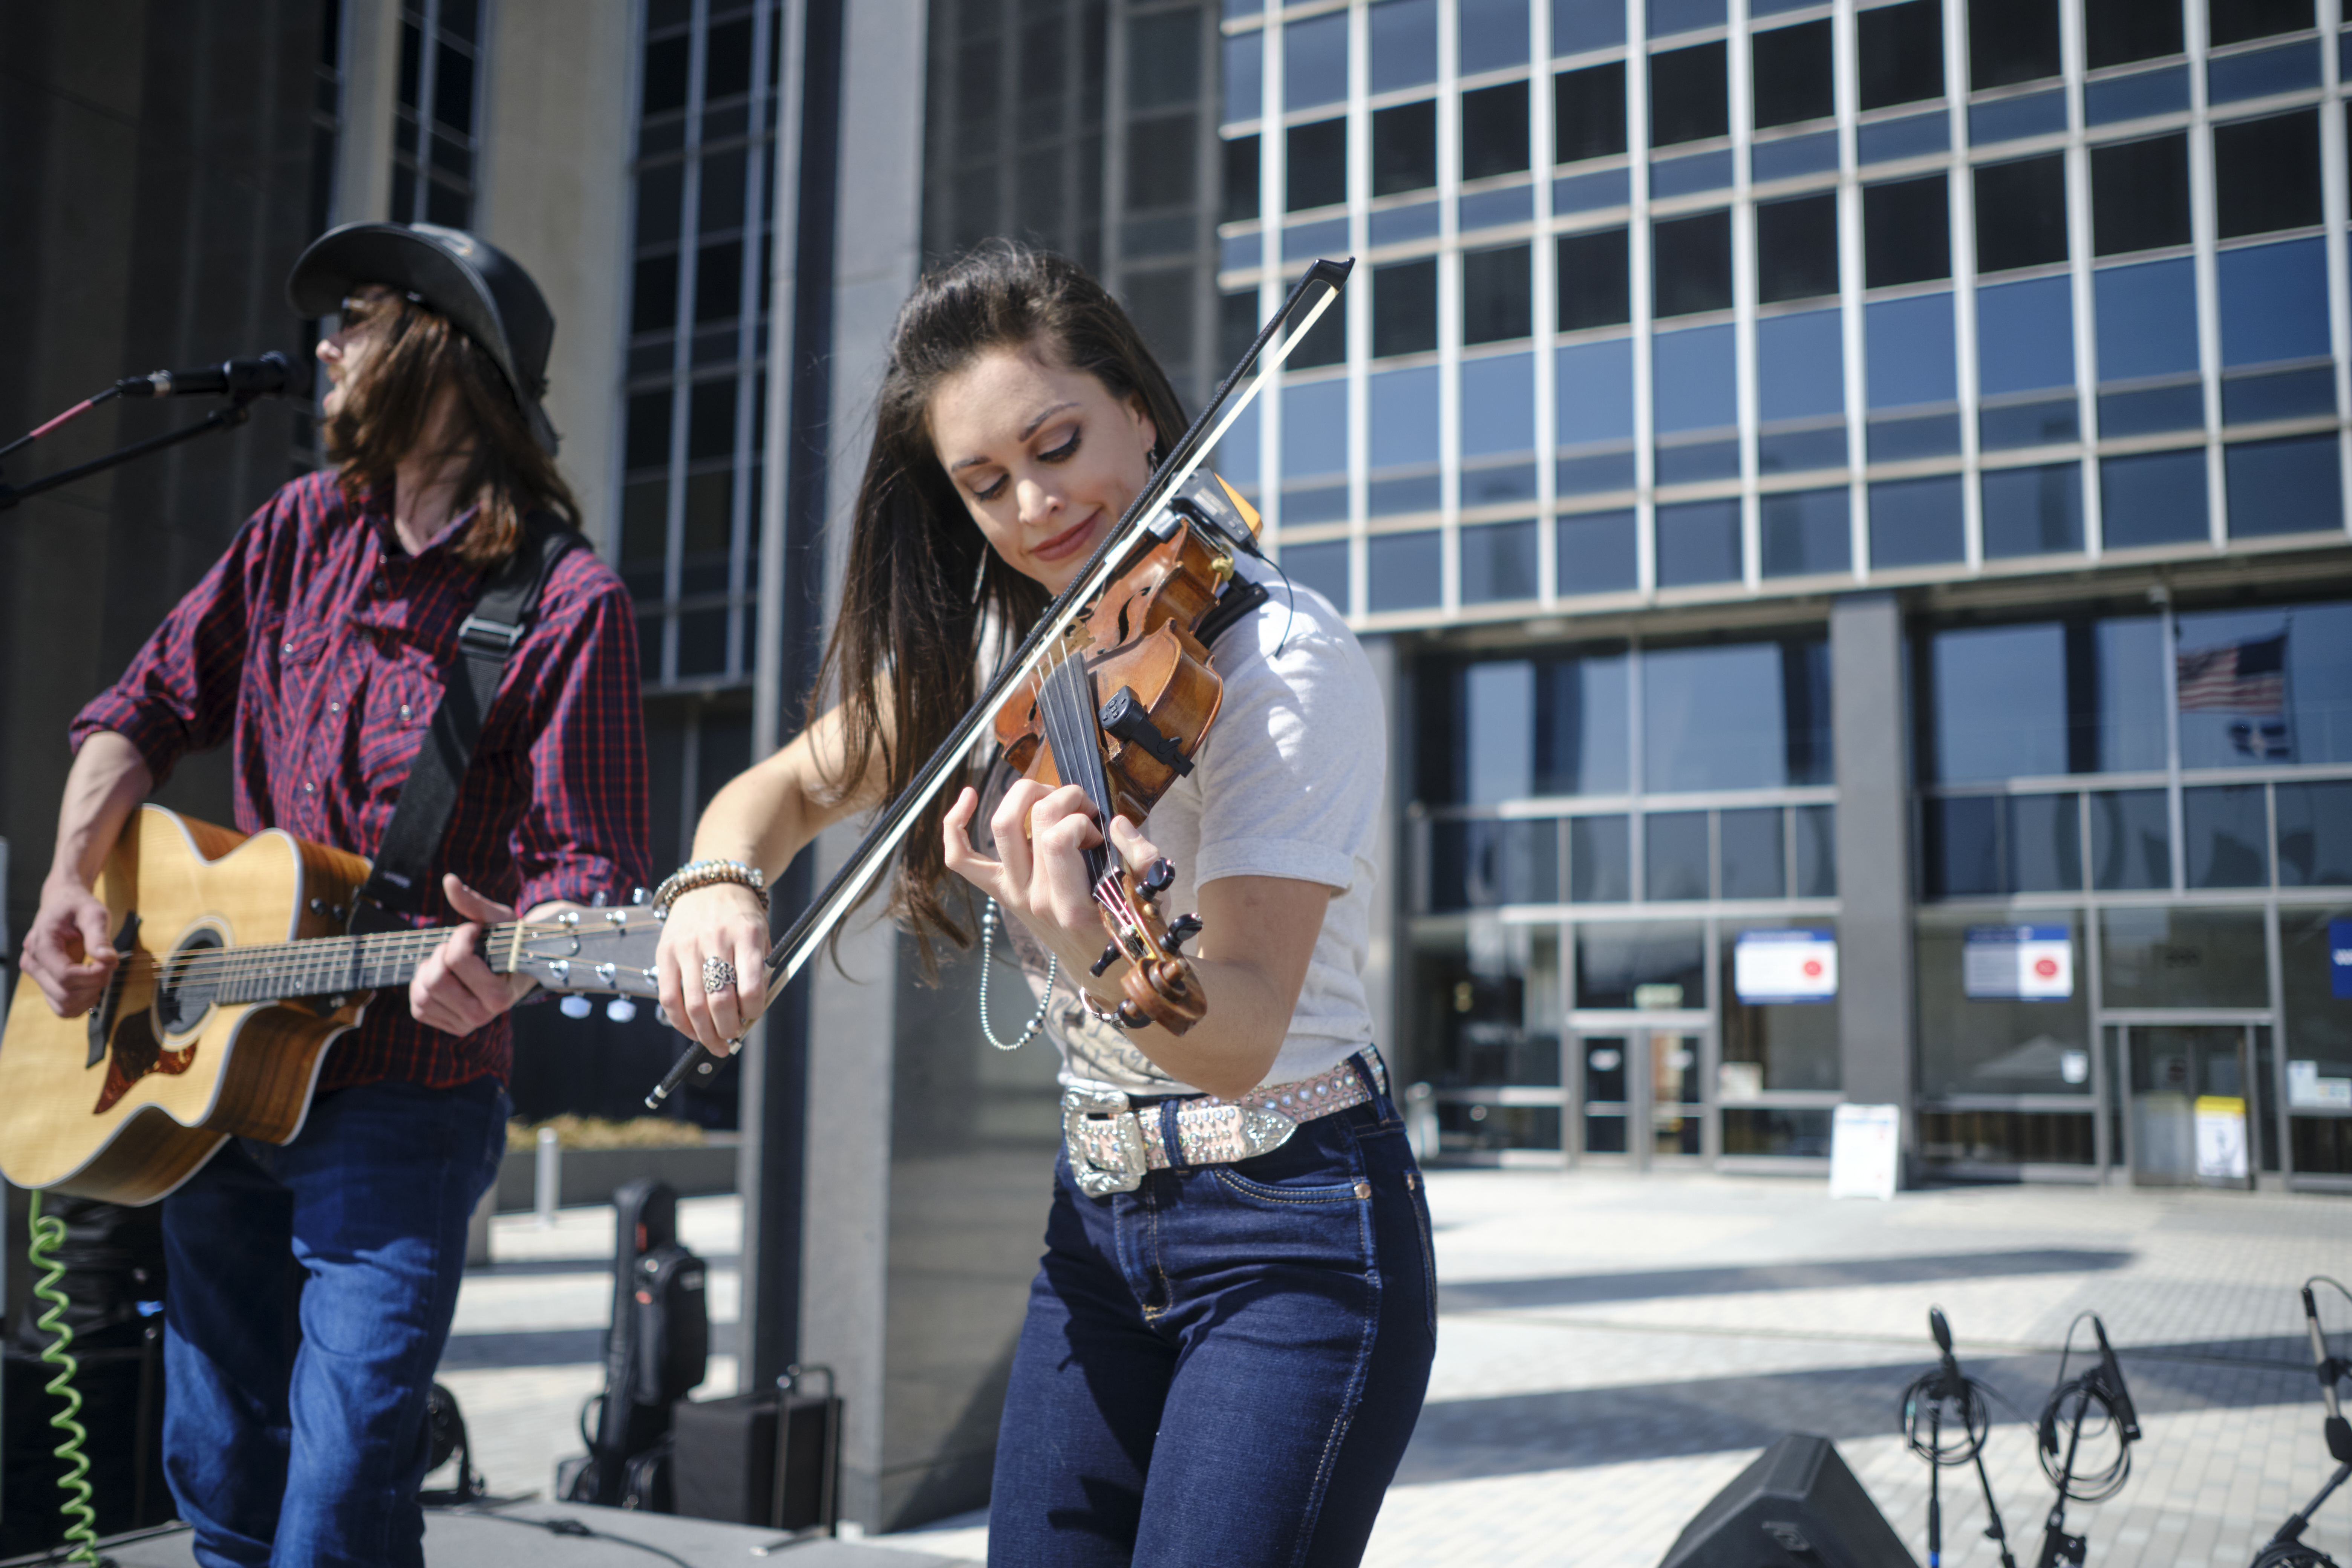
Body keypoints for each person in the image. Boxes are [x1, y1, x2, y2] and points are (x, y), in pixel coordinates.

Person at [653, 239, 1432, 1565]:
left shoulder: (1281, 663)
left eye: (1057, 444)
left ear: (1138, 405)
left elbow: (1239, 1033)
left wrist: (1089, 945)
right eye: (985, 484)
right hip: (1096, 1224)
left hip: (1296, 1232)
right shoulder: (995, 663)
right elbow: (774, 795)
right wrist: (717, 884)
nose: (1032, 506)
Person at [17, 222, 650, 1567]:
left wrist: (512, 958)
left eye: (353, 318)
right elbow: (144, 705)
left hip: (408, 1093)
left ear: (436, 350)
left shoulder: (566, 601)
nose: (322, 345)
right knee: (225, 1479)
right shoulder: (299, 530)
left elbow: (587, 876)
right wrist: (73, 879)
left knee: (342, 1500)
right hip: (209, 1081)